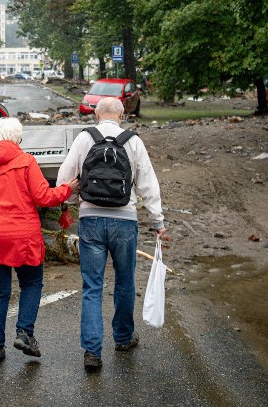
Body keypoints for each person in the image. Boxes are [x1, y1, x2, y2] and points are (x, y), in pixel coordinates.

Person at [57, 96, 167, 371]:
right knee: (125, 281)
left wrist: (68, 204)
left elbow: (65, 177)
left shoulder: (85, 138)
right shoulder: (133, 140)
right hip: (124, 221)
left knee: (92, 286)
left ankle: (92, 351)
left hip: (91, 220)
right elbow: (147, 183)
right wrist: (158, 221)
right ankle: (123, 336)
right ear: (121, 116)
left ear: (96, 116)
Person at [0, 118, 80, 365]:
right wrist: (67, 189)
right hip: (20, 235)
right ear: (18, 138)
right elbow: (43, 197)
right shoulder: (26, 162)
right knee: (32, 282)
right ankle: (24, 333)